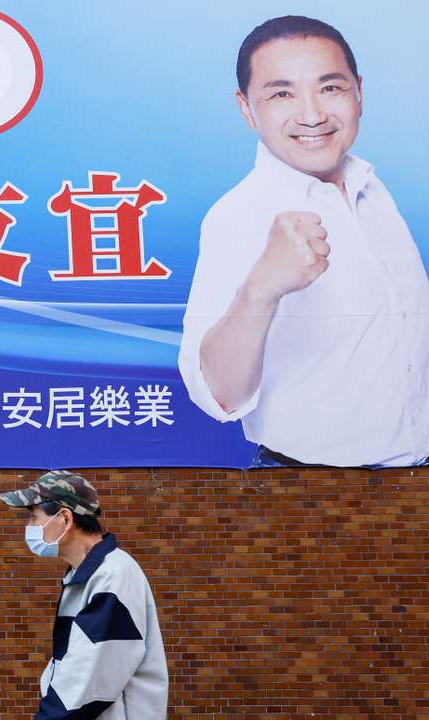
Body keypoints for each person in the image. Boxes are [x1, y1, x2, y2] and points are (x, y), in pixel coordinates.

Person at [179, 15, 429, 467]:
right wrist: (261, 288)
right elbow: (218, 395)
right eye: (281, 94)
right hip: (314, 488)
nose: (313, 115)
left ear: (358, 91)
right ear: (246, 108)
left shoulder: (370, 187)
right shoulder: (239, 215)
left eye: (330, 88)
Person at [0, 471, 167, 719]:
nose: (29, 527)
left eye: (33, 518)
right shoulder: (85, 577)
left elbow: (83, 684)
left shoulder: (112, 576)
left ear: (65, 519)